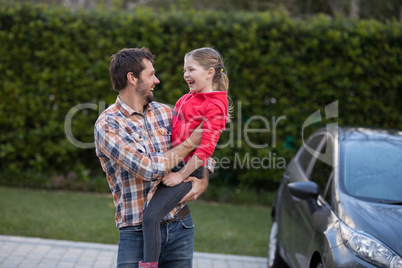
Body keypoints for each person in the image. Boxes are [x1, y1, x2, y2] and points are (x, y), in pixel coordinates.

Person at [94, 47, 214, 268]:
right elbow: (147, 168)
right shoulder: (109, 124)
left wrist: (202, 180)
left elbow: (205, 152)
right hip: (137, 233)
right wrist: (190, 143)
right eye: (151, 74)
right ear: (132, 78)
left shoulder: (167, 113)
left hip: (180, 226)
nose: (157, 80)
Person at [140, 47, 230, 268]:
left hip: (188, 169)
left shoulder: (216, 104)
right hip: (174, 163)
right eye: (184, 70)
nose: (185, 75)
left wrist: (181, 175)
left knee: (151, 216)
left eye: (191, 69)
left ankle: (149, 264)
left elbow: (204, 151)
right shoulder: (185, 99)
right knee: (152, 215)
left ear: (210, 72)